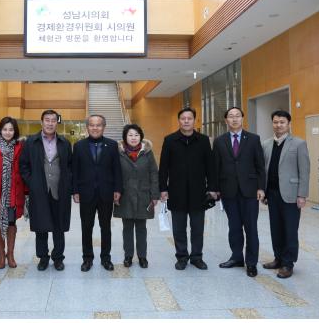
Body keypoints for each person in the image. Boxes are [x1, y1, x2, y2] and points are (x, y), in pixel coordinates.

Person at [158, 108, 216, 271]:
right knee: (179, 227)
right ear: (179, 121)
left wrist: (212, 187)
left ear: (194, 121)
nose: (186, 121)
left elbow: (210, 166)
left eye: (189, 118)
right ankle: (182, 256)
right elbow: (163, 167)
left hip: (199, 191)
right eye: (183, 118)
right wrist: (163, 188)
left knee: (198, 227)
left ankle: (197, 257)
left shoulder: (203, 140)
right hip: (176, 191)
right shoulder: (170, 140)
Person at [213, 106, 266, 277]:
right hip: (228, 191)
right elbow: (216, 167)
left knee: (251, 227)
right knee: (234, 227)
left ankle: (251, 262)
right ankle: (236, 257)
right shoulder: (219, 141)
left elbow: (260, 166)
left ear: (242, 119)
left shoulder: (253, 139)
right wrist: (214, 189)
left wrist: (261, 187)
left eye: (237, 116)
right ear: (226, 120)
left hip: (249, 191)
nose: (234, 119)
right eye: (231, 116)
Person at [20, 109, 73, 271]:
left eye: (53, 120)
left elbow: (70, 167)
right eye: (47, 120)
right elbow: (24, 165)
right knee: (40, 226)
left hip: (60, 191)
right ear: (42, 122)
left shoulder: (64, 143)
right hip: (39, 191)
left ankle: (58, 258)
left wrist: (68, 184)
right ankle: (43, 257)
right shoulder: (30, 142)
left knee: (59, 226)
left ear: (57, 122)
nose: (50, 123)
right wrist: (33, 183)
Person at [262, 110, 310, 278]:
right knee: (275, 228)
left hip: (291, 194)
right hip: (272, 193)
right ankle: (278, 258)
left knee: (290, 229)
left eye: (282, 122)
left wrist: (302, 195)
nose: (278, 125)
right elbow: (263, 169)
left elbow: (304, 171)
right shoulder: (266, 144)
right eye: (275, 122)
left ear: (288, 124)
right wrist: (263, 190)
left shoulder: (298, 143)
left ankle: (288, 263)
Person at [72, 114, 122, 272]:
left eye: (98, 125)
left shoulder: (112, 145)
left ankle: (106, 258)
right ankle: (87, 259)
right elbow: (75, 171)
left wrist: (118, 189)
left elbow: (117, 170)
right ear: (87, 127)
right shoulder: (79, 146)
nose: (95, 127)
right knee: (86, 227)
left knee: (105, 227)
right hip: (86, 193)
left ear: (103, 127)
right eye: (92, 125)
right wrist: (75, 191)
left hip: (106, 193)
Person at [113, 124, 159, 269]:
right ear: (125, 137)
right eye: (130, 135)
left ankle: (142, 256)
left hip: (143, 195)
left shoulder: (147, 152)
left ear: (141, 137)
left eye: (136, 135)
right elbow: (114, 174)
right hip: (125, 195)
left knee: (141, 227)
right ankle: (128, 256)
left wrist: (155, 194)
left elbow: (153, 174)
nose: (133, 138)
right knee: (127, 227)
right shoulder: (118, 153)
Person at [0, 117, 26, 269]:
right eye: (5, 129)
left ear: (15, 132)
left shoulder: (20, 147)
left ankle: (11, 254)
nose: (8, 132)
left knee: (11, 222)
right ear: (0, 130)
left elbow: (23, 169)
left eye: (11, 130)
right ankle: (2, 255)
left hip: (14, 191)